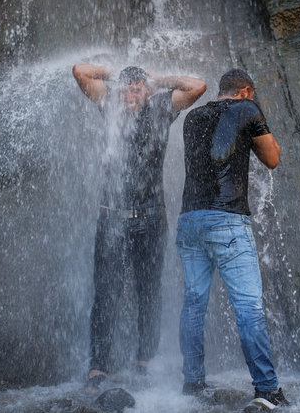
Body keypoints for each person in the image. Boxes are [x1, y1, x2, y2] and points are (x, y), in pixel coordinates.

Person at [72, 63, 206, 392]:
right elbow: (80, 71)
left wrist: (159, 80)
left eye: (137, 89)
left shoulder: (161, 107)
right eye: (127, 89)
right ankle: (98, 367)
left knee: (149, 292)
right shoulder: (111, 107)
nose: (132, 94)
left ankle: (145, 363)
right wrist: (115, 76)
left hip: (151, 217)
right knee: (106, 293)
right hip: (112, 216)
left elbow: (197, 85)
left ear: (146, 92)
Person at [176, 69, 288, 409]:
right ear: (246, 92)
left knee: (194, 303)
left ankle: (192, 382)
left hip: (189, 220)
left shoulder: (193, 116)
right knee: (248, 306)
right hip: (227, 220)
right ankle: (267, 389)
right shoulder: (247, 109)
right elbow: (272, 159)